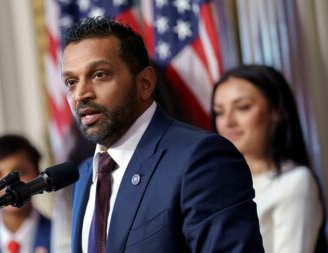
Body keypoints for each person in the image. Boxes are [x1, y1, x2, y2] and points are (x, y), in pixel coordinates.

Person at [62, 16, 264, 253]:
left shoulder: (201, 158)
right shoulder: (85, 174)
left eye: (99, 75)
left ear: (145, 83)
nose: (81, 94)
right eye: (71, 81)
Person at [211, 64, 327, 253]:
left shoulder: (294, 182)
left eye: (242, 107)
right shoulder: (214, 183)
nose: (228, 122)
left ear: (276, 112)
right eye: (219, 112)